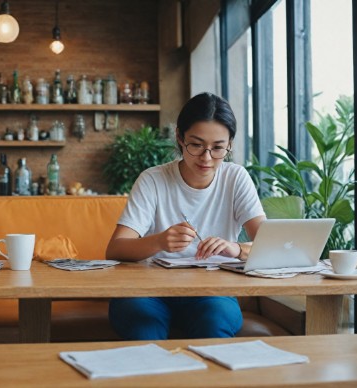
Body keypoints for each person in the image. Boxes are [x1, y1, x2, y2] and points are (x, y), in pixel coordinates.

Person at [106, 92, 267, 340]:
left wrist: (235, 249)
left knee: (214, 324)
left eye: (218, 148)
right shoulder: (153, 179)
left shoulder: (235, 178)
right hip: (148, 292)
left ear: (229, 144)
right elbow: (115, 249)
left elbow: (270, 246)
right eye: (196, 145)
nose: (206, 158)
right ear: (180, 138)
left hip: (213, 292)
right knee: (144, 329)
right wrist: (159, 241)